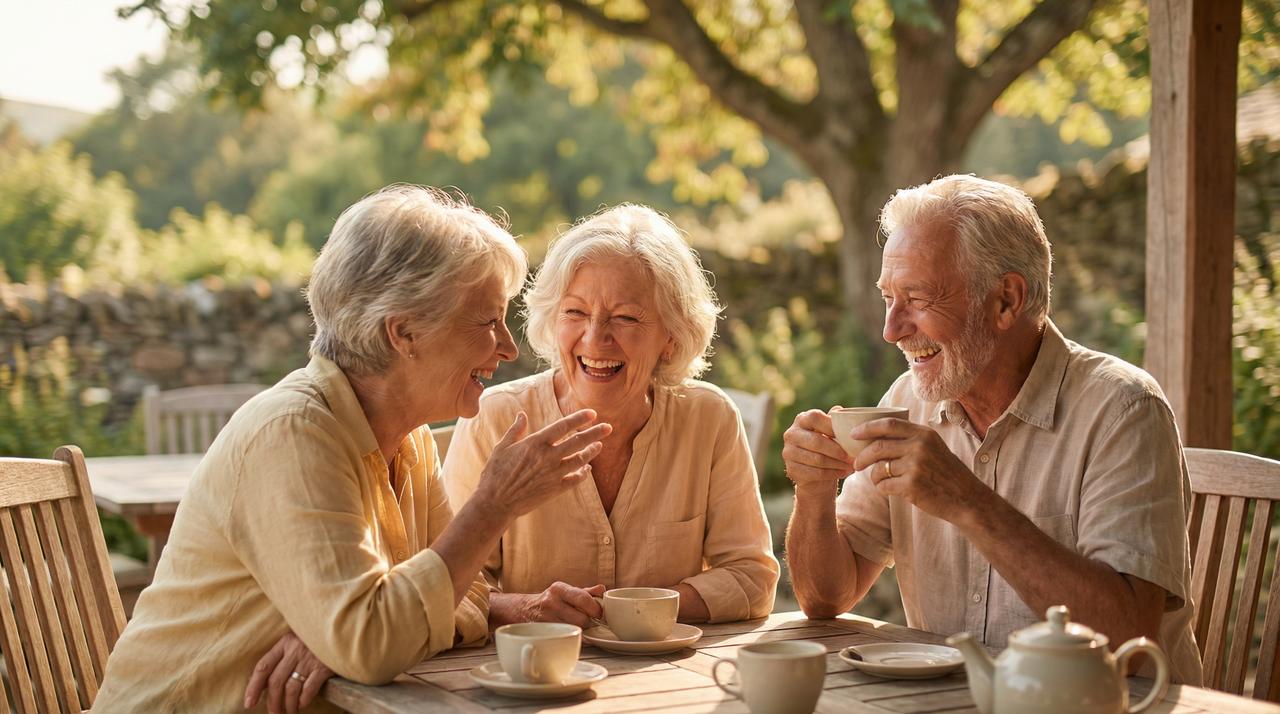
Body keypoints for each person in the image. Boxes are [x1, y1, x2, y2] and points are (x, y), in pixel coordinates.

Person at [93, 186, 611, 713]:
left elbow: (463, 589)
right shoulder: (294, 433)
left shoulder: (407, 439)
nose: (508, 346)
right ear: (404, 332)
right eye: (487, 321)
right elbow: (374, 642)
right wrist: (492, 506)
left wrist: (346, 635)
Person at [782, 174, 1202, 684]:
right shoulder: (905, 401)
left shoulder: (1123, 410)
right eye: (888, 298)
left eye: (916, 298)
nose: (891, 329)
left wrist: (967, 501)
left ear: (1005, 300)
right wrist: (814, 489)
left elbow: (1128, 641)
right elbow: (826, 596)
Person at [444, 204, 778, 628]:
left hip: (669, 676)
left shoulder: (709, 419)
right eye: (576, 312)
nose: (595, 338)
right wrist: (523, 608)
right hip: (530, 678)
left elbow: (752, 579)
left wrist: (634, 610)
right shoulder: (496, 419)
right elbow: (445, 586)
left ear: (672, 337)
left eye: (625, 318)